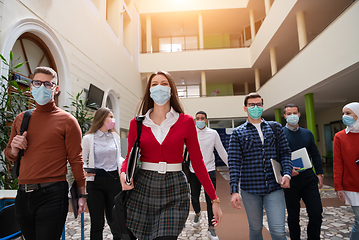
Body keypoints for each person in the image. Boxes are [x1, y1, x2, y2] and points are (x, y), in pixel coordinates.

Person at [120, 71, 222, 240]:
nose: (159, 87)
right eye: (154, 84)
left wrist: (214, 199)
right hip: (143, 186)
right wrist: (123, 173)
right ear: (149, 91)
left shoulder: (186, 121)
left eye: (164, 83)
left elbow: (197, 162)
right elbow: (130, 155)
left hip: (175, 187)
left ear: (172, 91)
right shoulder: (137, 123)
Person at [5, 66, 87, 240]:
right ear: (31, 86)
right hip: (23, 194)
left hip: (53, 193)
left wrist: (82, 194)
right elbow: (9, 155)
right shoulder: (21, 119)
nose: (42, 87)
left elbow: (76, 160)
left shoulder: (68, 121)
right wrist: (14, 148)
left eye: (48, 84)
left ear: (55, 89)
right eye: (37, 82)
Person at [228, 92, 292, 240]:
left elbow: (285, 153)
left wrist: (287, 173)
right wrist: (234, 190)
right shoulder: (238, 132)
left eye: (258, 104)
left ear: (263, 106)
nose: (255, 107)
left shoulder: (275, 128)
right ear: (245, 108)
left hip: (274, 187)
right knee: (256, 228)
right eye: (251, 105)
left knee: (278, 231)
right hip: (250, 189)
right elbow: (234, 162)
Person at [282, 104, 323, 240]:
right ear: (284, 116)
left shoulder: (307, 133)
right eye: (289, 113)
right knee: (293, 216)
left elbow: (315, 155)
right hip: (291, 182)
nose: (292, 116)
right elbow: (276, 158)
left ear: (299, 114)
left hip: (309, 179)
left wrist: (320, 173)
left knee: (316, 213)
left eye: (294, 113)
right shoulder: (280, 135)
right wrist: (287, 170)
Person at [82, 107, 123, 240]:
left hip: (114, 181)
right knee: (97, 222)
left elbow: (119, 157)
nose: (112, 120)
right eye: (110, 117)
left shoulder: (115, 136)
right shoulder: (89, 138)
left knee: (115, 220)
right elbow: (80, 159)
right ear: (101, 118)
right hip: (95, 183)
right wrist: (84, 170)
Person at [190, 111, 228, 240]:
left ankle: (211, 228)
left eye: (202, 118)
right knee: (194, 196)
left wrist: (232, 167)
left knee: (211, 200)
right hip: (193, 171)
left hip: (209, 170)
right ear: (195, 120)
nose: (200, 120)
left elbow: (222, 151)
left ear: (206, 120)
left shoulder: (213, 134)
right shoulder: (190, 133)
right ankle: (197, 213)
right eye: (197, 118)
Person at [333, 102, 359, 240]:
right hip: (352, 185)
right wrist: (338, 186)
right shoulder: (339, 136)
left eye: (348, 113)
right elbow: (337, 163)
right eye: (343, 113)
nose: (345, 116)